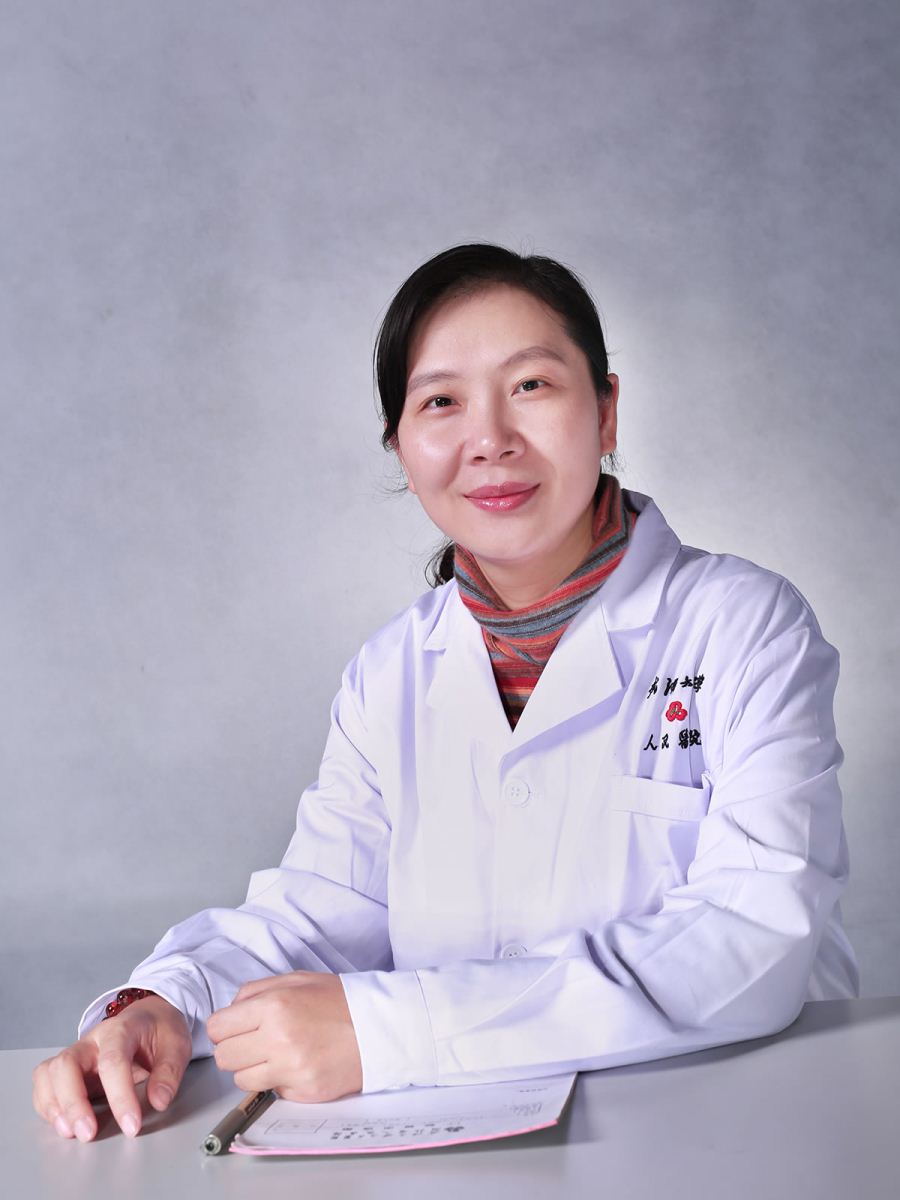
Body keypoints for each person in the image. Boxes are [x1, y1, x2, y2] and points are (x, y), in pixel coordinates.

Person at [32, 243, 860, 1144]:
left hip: (728, 1134)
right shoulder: (392, 671)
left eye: (532, 385)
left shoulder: (745, 626)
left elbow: (754, 936)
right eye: (440, 402)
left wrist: (394, 1032)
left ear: (606, 410)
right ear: (400, 445)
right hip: (462, 1153)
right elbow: (317, 916)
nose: (490, 439)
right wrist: (161, 1002)